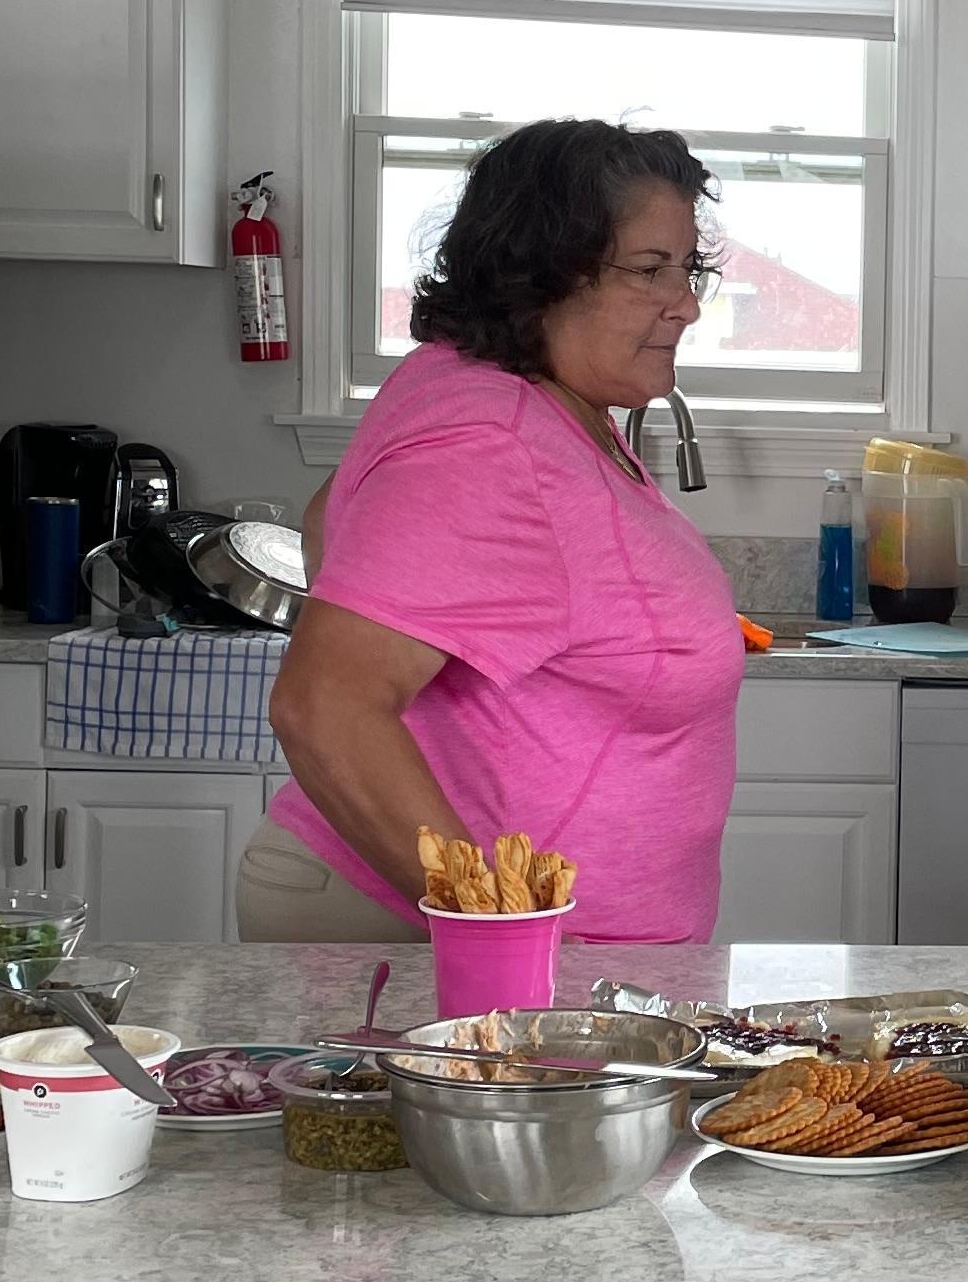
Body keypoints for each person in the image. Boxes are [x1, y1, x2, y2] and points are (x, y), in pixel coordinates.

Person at [244, 120, 743, 945]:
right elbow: (323, 705)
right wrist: (499, 929)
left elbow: (329, 518)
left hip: (550, 958)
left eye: (686, 268)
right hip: (435, 942)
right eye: (650, 269)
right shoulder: (491, 438)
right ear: (546, 271)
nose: (685, 302)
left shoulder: (526, 398)